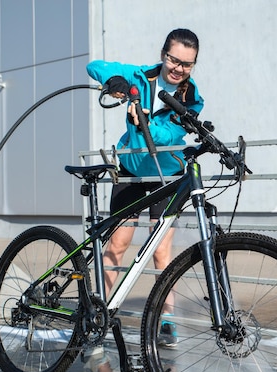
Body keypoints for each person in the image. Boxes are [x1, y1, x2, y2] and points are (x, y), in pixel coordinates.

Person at [86, 28, 203, 347]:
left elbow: (171, 133)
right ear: (163, 54)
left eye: (187, 64)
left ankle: (168, 323)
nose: (178, 69)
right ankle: (101, 315)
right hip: (132, 171)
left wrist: (145, 122)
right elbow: (94, 66)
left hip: (166, 174)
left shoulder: (191, 97)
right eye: (173, 60)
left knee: (161, 252)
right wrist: (116, 85)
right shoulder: (139, 76)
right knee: (116, 246)